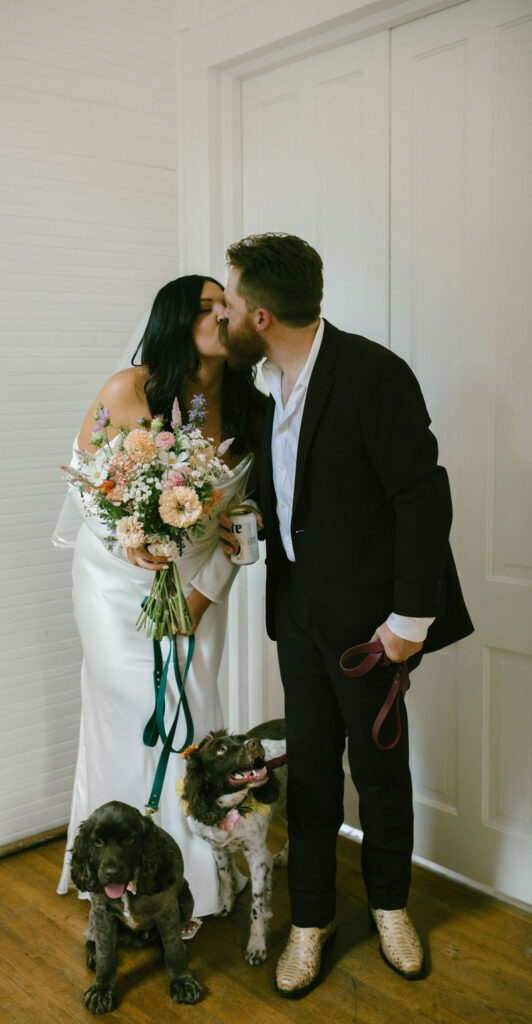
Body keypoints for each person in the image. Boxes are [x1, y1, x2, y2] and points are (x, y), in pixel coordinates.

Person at [217, 233, 473, 996]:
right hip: (296, 614)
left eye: (229, 302)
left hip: (374, 626)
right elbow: (297, 493)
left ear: (260, 314)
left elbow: (422, 501)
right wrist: (250, 522)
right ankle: (312, 919)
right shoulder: (261, 386)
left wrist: (408, 624)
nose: (224, 314)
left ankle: (391, 906)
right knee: (314, 779)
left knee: (380, 772)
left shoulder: (373, 374)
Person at [55, 275, 266, 935]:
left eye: (222, 306)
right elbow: (87, 478)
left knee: (190, 716)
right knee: (137, 710)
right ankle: (117, 876)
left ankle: (192, 878)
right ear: (175, 318)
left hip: (200, 575)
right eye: (202, 306)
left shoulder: (249, 408)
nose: (217, 315)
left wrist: (203, 596)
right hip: (115, 580)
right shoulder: (129, 390)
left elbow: (246, 515)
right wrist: (130, 536)